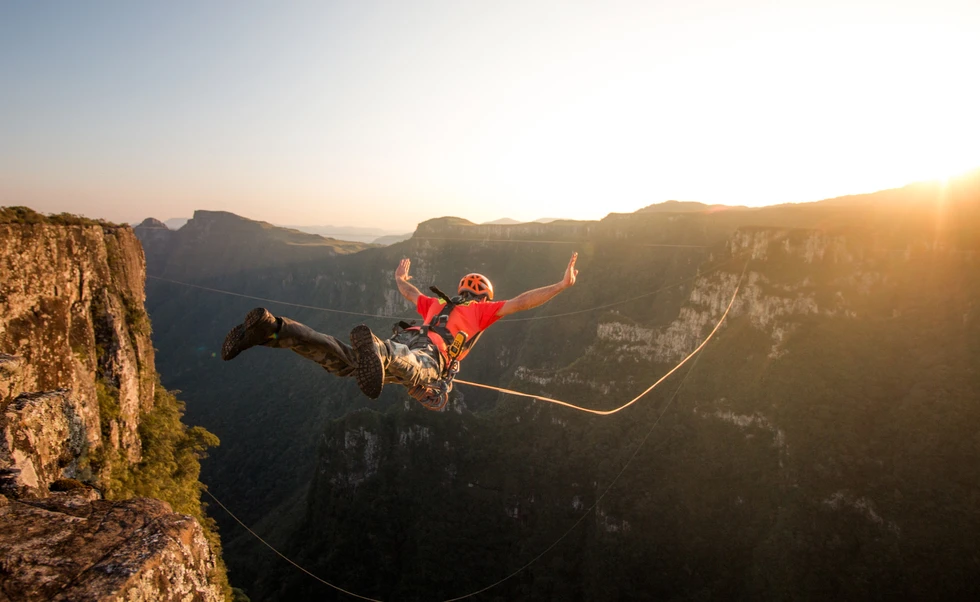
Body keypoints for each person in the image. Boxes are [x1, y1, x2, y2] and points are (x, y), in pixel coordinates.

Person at [221, 252, 578, 405]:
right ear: (483, 294)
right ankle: (377, 350)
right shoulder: (483, 311)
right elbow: (524, 301)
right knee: (415, 370)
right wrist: (561, 287)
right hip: (426, 354)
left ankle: (273, 331)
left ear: (461, 289)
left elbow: (412, 294)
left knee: (345, 363)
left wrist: (399, 279)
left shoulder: (438, 304)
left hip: (404, 340)